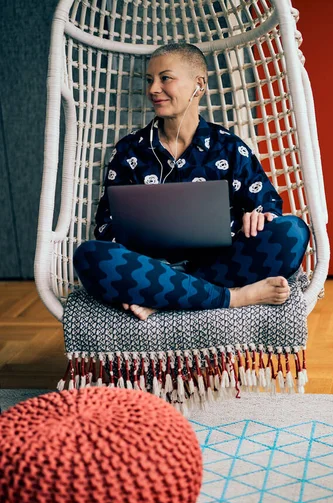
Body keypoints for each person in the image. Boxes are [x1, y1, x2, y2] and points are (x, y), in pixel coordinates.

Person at [73, 43, 310, 320]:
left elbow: (267, 205)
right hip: (147, 266)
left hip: (220, 264)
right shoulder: (129, 150)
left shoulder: (229, 148)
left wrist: (258, 216)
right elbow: (105, 226)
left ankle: (164, 295)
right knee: (89, 255)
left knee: (293, 231)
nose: (152, 89)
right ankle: (233, 297)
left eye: (165, 78)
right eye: (150, 80)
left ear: (198, 85)